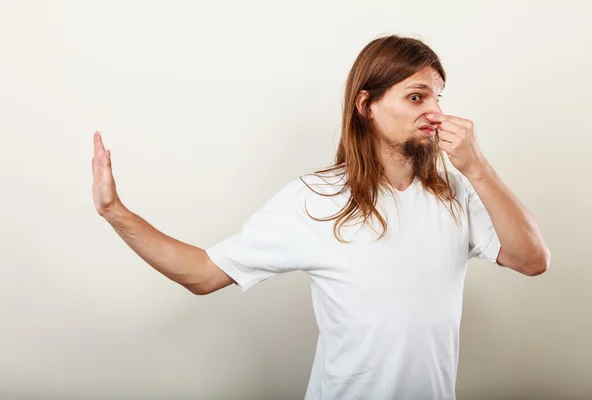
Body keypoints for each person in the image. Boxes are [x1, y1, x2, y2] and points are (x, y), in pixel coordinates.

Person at [91, 35, 550, 400]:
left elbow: (532, 259)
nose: (436, 113)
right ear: (366, 105)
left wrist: (477, 167)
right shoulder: (314, 198)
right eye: (416, 97)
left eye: (438, 97)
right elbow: (203, 274)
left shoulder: (455, 191)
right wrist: (116, 213)